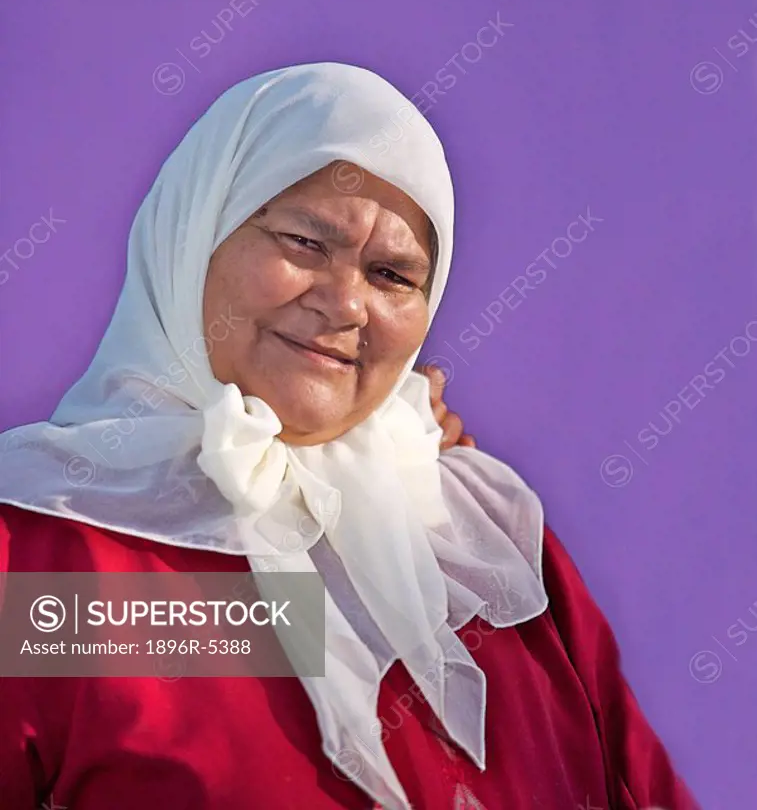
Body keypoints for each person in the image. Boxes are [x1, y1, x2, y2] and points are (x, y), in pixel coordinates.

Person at [0, 62, 699, 810]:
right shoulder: (40, 561)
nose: (345, 304)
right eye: (304, 241)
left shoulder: (492, 551)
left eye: (394, 275)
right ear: (194, 233)